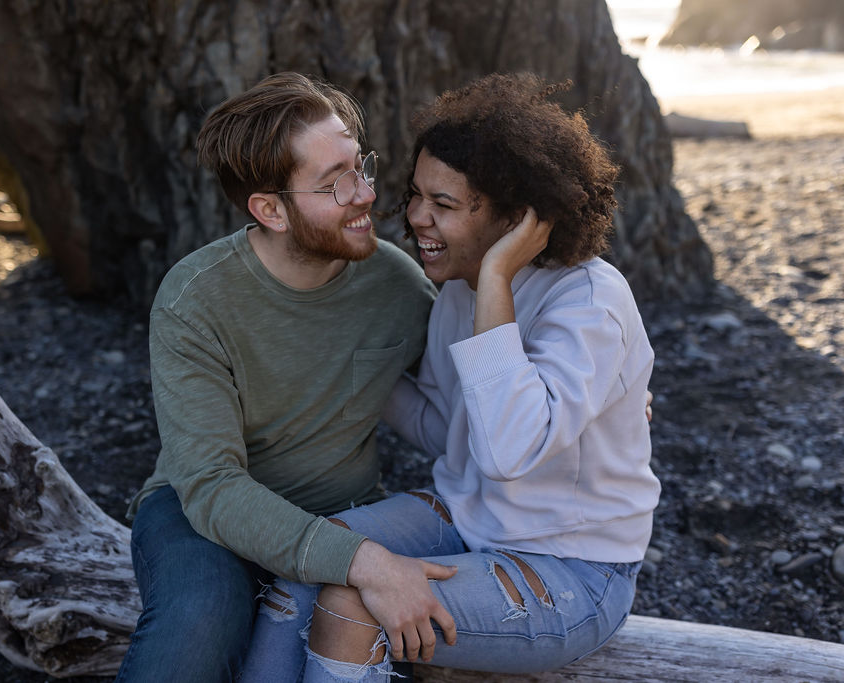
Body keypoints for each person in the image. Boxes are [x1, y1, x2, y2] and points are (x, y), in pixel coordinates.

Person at [241, 72, 662, 681]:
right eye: (416, 195)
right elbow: (447, 430)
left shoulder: (588, 303)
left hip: (576, 565)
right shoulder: (456, 294)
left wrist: (495, 281)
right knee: (319, 551)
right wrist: (347, 355)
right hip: (468, 519)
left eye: (444, 205)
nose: (415, 218)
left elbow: (508, 451)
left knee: (353, 604)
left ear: (517, 220)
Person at [114, 72, 459, 682]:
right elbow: (212, 485)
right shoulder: (194, 300)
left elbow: (474, 374)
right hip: (200, 513)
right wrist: (365, 563)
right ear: (269, 210)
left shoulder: (397, 285)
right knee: (200, 617)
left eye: (362, 166)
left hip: (343, 510)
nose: (364, 194)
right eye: (334, 185)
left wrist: (597, 392)